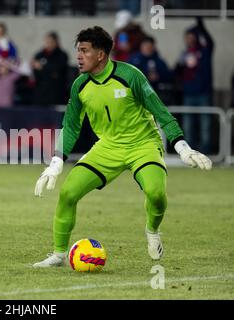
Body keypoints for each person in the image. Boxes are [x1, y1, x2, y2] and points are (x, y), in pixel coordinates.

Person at [33, 26, 212, 268]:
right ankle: (59, 254)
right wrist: (56, 162)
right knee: (68, 193)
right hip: (107, 147)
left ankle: (152, 230)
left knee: (156, 195)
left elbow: (161, 112)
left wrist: (182, 147)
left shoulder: (130, 75)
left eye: (84, 51)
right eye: (78, 51)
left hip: (143, 144)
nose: (78, 56)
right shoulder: (80, 85)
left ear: (101, 54)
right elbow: (71, 126)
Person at [175, 17, 214, 155]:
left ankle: (205, 152)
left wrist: (201, 27)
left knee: (205, 125)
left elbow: (210, 42)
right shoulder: (183, 54)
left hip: (203, 93)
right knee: (188, 125)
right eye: (187, 37)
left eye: (192, 37)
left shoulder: (204, 51)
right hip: (188, 94)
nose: (189, 40)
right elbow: (177, 72)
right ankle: (189, 153)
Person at [31, 31, 69, 106]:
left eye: (50, 42)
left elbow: (57, 71)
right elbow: (36, 73)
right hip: (41, 94)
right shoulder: (39, 55)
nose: (48, 44)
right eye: (46, 41)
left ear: (56, 42)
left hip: (56, 94)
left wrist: (42, 68)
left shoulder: (62, 55)